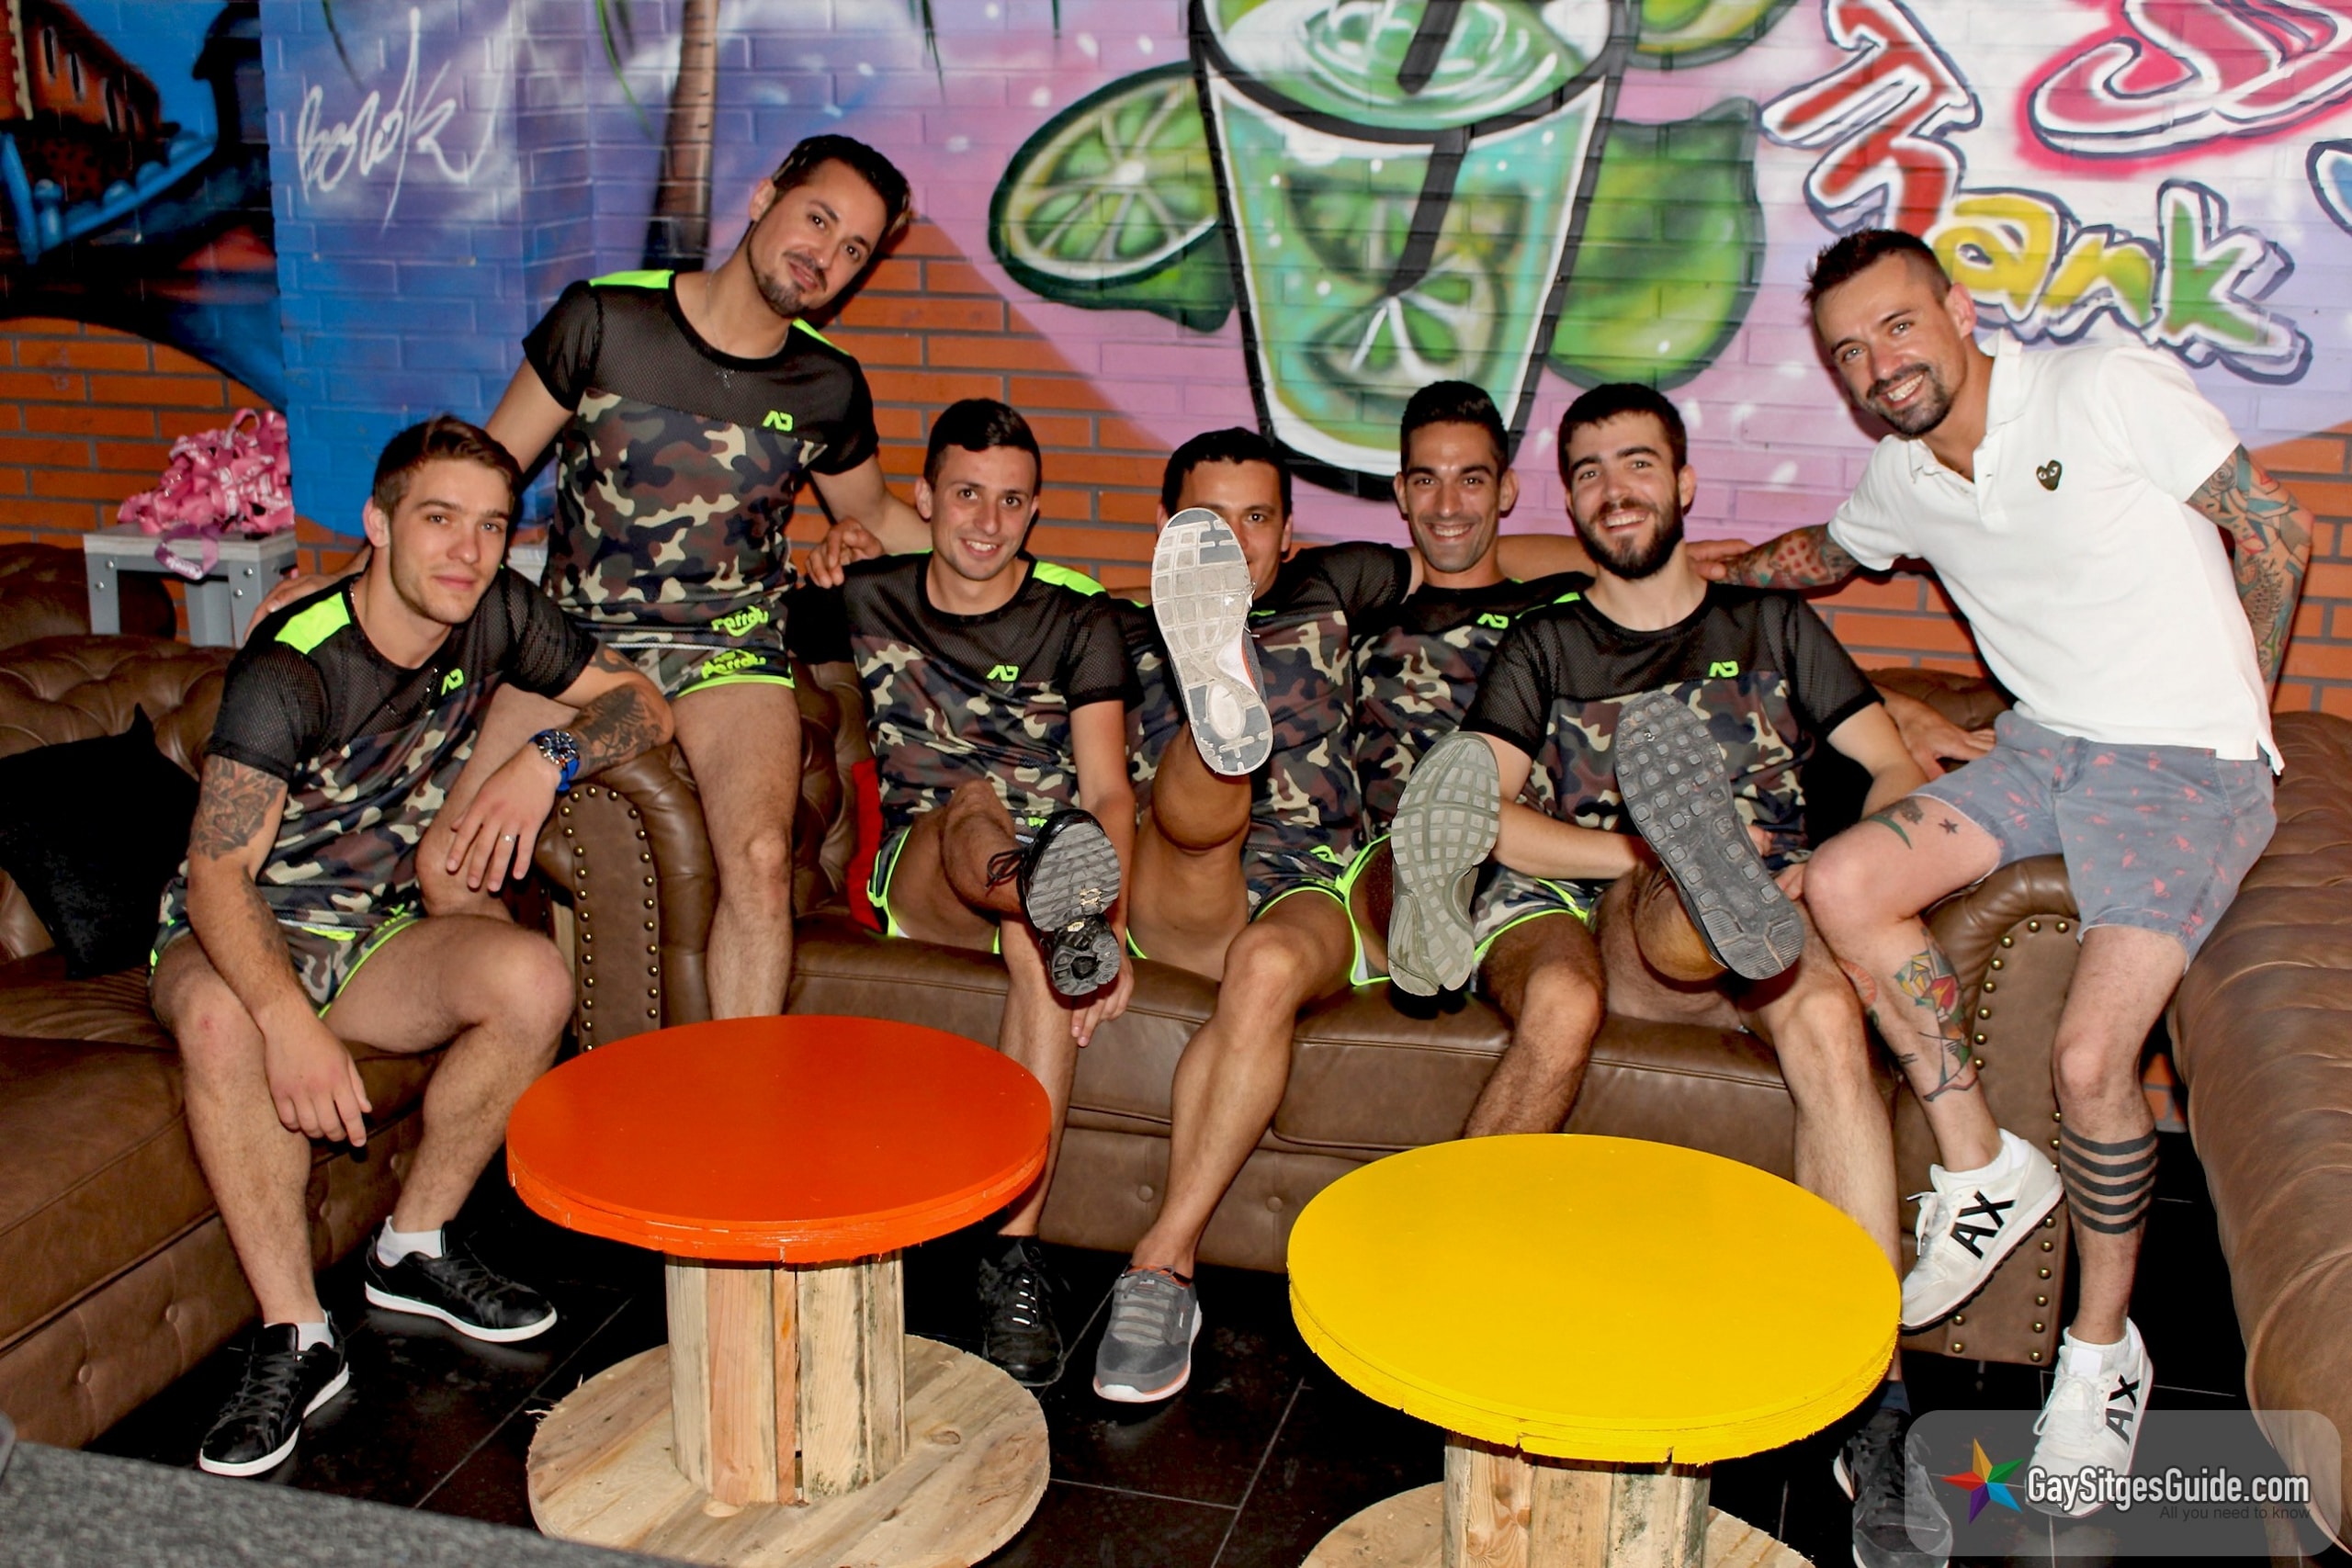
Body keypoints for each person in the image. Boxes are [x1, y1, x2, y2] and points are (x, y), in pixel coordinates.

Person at [1698, 228, 2312, 1516]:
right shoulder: (1903, 474)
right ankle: (1982, 1167)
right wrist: (1710, 571)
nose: (1880, 365)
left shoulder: (2101, 386)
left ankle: (2102, 1353)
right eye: (1849, 352)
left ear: (1960, 309)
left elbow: (2273, 532)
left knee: (2091, 1063)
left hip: (2184, 764)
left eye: (1897, 327)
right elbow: (1824, 554)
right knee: (1844, 886)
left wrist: (2233, 710)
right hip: (2043, 745)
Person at [1397, 382, 1946, 1568]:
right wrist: (1637, 854)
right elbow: (1482, 811)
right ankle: (1692, 864)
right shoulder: (1545, 645)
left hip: (1781, 922)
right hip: (1631, 921)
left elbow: (1894, 770)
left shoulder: (1773, 626)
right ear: (1570, 502)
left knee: (1825, 1021)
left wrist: (1830, 871)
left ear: (1685, 484)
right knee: (1673, 899)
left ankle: (1879, 1400)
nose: (1615, 490)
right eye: (1589, 471)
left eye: (1637, 464)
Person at [259, 135, 921, 1022]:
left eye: (853, 249)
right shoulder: (603, 321)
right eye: (819, 218)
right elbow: (484, 470)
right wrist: (349, 577)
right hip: (574, 645)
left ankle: (742, 1097)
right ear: (765, 196)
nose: (826, 255)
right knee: (448, 864)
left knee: (761, 861)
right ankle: (529, 1033)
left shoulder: (827, 384)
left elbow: (874, 513)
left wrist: (1023, 571)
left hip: (729, 648)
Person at [153, 417, 673, 1478]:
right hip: (242, 927)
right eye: (439, 520)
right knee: (217, 1019)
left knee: (531, 977)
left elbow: (645, 706)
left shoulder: (497, 612)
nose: (466, 552)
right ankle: (298, 1334)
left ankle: (413, 1246)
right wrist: (286, 1022)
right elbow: (216, 879)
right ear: (379, 526)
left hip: (372, 929)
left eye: (491, 527)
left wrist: (545, 759)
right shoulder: (291, 667)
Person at [1092, 427, 1591, 1406]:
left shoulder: (1335, 585)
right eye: (1206, 524)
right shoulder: (1107, 628)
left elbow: (1470, 548)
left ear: (1289, 535)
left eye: (1255, 519)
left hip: (1304, 875)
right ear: (1165, 531)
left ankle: (1162, 1263)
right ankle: (1218, 706)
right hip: (1181, 877)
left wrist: (1674, 563)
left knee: (1270, 966)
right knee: (1200, 816)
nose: (1235, 541)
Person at [786, 399, 1136, 1391]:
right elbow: (751, 647)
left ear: (1035, 511)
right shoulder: (866, 593)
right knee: (973, 801)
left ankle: (1014, 1257)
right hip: (927, 863)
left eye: (1012, 501)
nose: (988, 521)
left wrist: (1103, 923)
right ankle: (1044, 898)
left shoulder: (1079, 621)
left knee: (1038, 941)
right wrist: (818, 560)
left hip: (1051, 875)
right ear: (927, 497)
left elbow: (1109, 791)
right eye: (968, 494)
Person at [1344, 381, 1603, 1135]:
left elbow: (1698, 610)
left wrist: (1888, 710)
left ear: (1507, 490)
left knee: (1568, 999)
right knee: (1414, 848)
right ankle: (1428, 896)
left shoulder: (1564, 609)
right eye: (1427, 480)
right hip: (1391, 855)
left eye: (1472, 479)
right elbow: (1183, 603)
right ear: (1401, 492)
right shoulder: (1353, 607)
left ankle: (1453, 1220)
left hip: (1530, 860)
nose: (1448, 504)